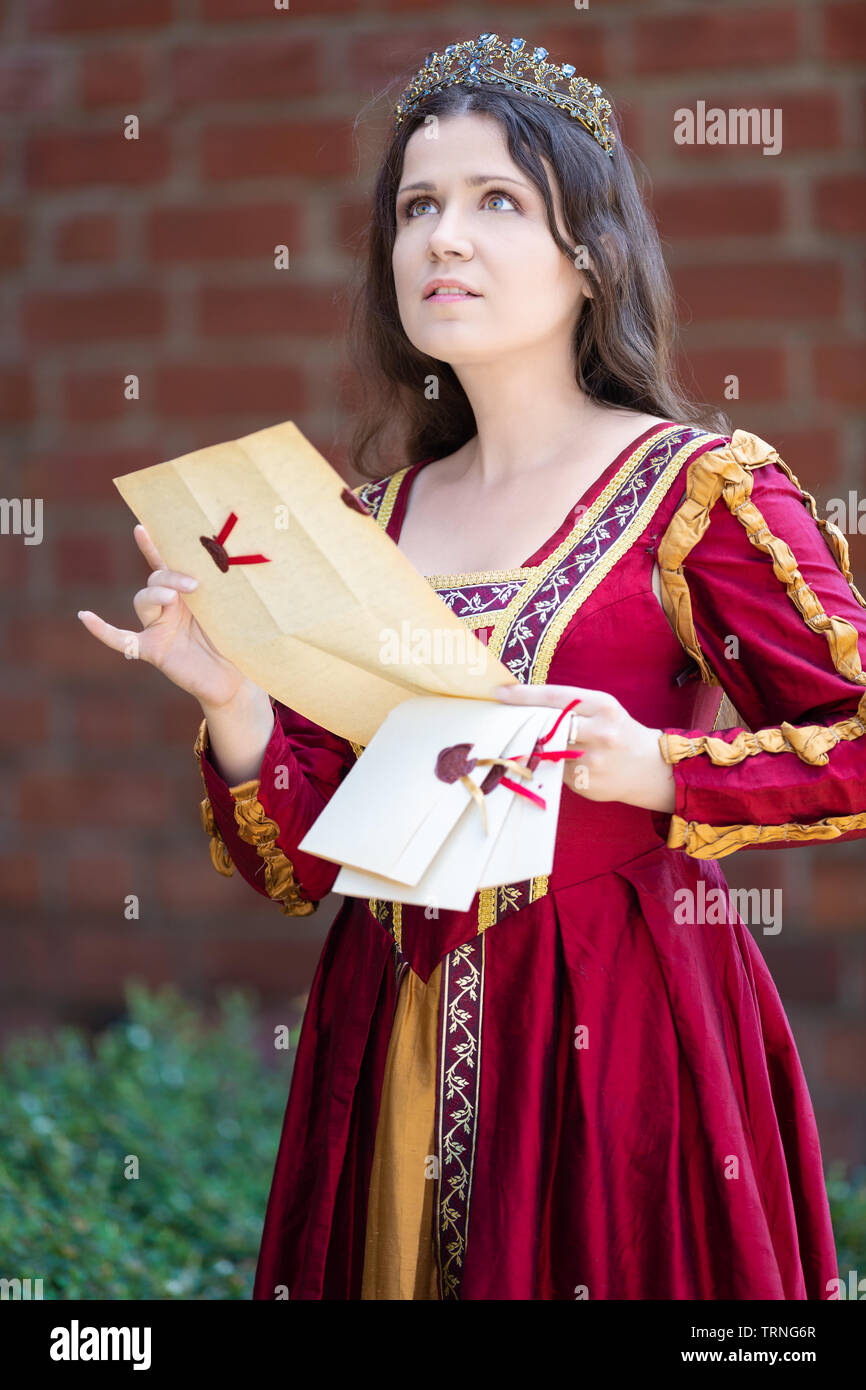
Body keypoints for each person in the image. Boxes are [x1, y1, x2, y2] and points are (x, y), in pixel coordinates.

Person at [79, 33, 866, 1300]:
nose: (442, 238)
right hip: (380, 1031)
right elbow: (306, 857)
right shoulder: (353, 525)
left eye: (496, 200)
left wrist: (656, 766)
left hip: (624, 1041)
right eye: (415, 207)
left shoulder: (698, 490)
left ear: (587, 250)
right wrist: (229, 696)